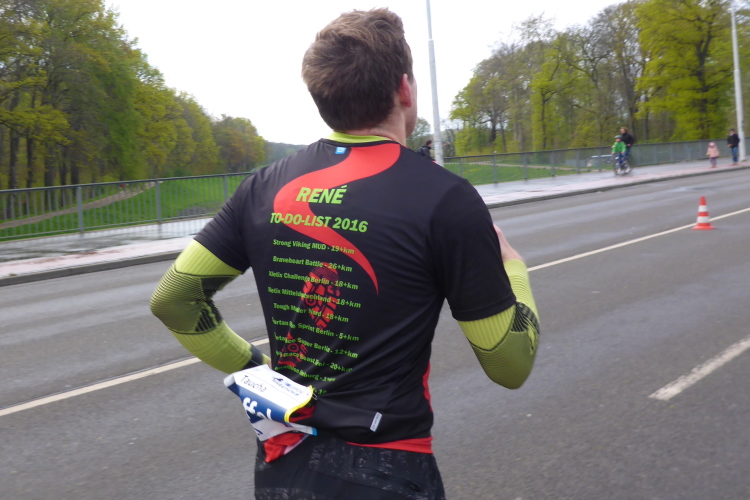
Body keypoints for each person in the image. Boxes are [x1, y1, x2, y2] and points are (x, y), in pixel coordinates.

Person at [150, 8, 539, 499]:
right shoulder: (445, 198)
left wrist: (260, 373)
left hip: (284, 462)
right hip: (388, 468)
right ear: (405, 89)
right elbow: (509, 365)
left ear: (323, 98)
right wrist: (515, 269)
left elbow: (174, 299)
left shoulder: (262, 187)